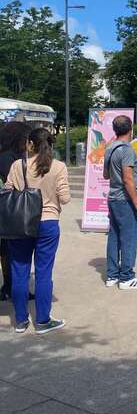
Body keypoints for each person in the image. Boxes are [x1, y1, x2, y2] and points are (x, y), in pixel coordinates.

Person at [5, 128, 70, 333]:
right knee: (43, 273)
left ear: (30, 144)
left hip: (20, 224)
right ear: (50, 144)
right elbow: (66, 198)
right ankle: (42, 321)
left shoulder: (18, 165)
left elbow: (8, 190)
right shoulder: (58, 166)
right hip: (48, 223)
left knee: (19, 271)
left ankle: (21, 321)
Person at [104, 115, 137, 290]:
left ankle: (112, 275)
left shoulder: (110, 149)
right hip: (126, 200)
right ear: (130, 129)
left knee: (114, 237)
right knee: (130, 238)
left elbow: (106, 175)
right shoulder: (128, 150)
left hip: (114, 198)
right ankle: (127, 278)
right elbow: (128, 179)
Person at [0, 121, 32, 302]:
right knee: (12, 250)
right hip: (10, 212)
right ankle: (12, 287)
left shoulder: (7, 156)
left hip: (9, 210)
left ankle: (10, 286)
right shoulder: (9, 159)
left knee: (8, 250)